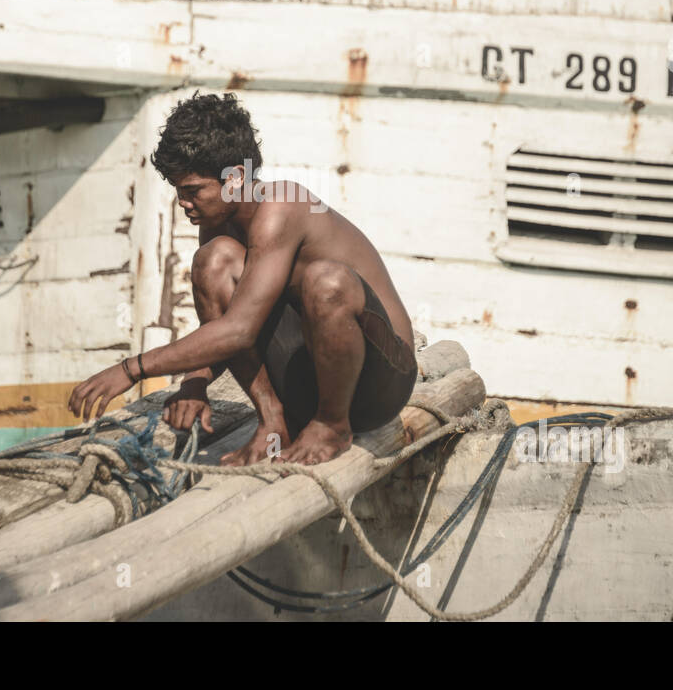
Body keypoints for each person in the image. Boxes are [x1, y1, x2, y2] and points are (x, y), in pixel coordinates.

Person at [68, 91, 417, 466]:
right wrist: (195, 383)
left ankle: (332, 427)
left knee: (325, 281)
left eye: (193, 191)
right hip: (310, 384)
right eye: (178, 191)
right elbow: (232, 320)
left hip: (379, 386)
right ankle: (273, 421)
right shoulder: (220, 225)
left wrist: (131, 369)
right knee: (213, 261)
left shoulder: (282, 207)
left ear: (234, 179)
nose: (183, 203)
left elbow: (240, 330)